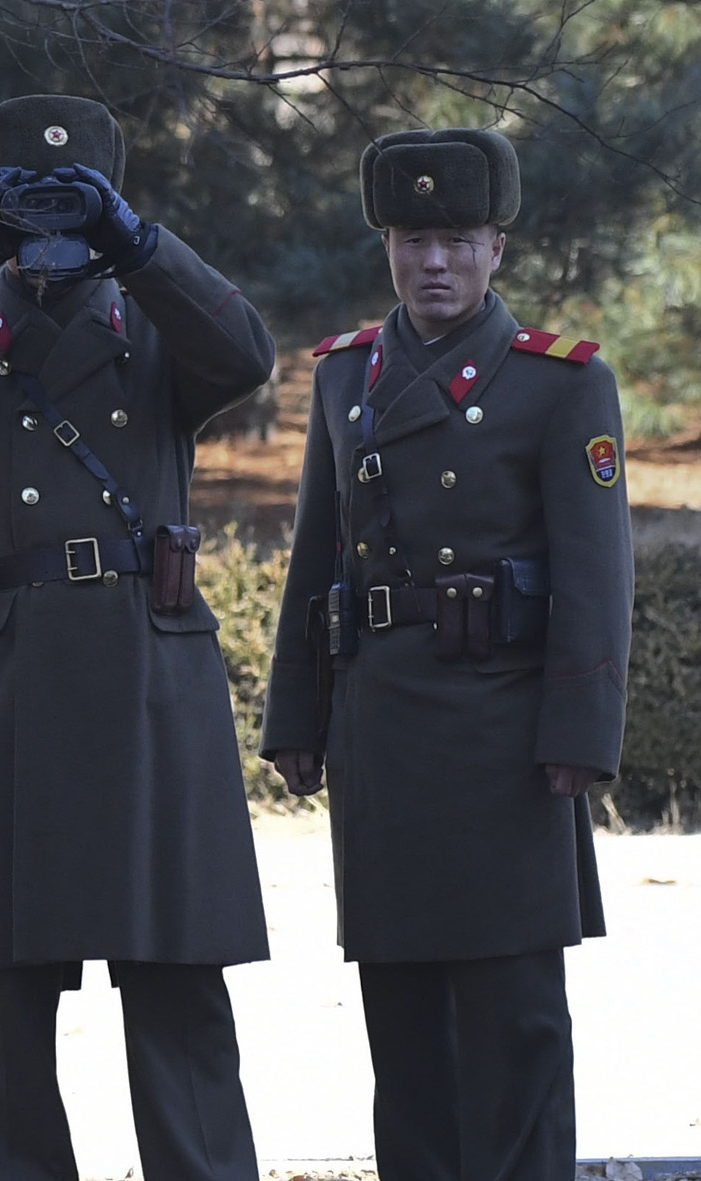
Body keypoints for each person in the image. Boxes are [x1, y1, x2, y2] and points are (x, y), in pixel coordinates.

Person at [0, 94, 276, 1181]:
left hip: (142, 669)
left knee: (174, 981)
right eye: (22, 201)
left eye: (66, 201)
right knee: (1, 1002)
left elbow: (242, 355)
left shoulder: (149, 320)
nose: (47, 226)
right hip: (13, 677)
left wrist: (133, 242)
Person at [259, 127, 633, 1181]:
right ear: (386, 244)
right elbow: (314, 552)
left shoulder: (557, 382)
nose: (433, 262)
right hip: (381, 731)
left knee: (515, 1019)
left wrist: (578, 735)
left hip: (505, 737)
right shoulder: (343, 377)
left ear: (495, 248)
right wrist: (296, 715)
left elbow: (595, 575)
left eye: (456, 239)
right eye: (413, 238)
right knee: (402, 1019)